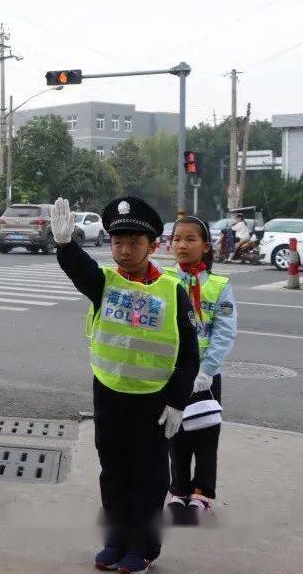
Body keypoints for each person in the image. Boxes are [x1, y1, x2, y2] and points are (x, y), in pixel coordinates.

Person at [51, 196, 199, 574]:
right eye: (118, 242)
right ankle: (116, 539)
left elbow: (188, 354)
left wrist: (178, 402)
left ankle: (143, 546)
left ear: (152, 246)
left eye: (134, 243)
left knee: (148, 476)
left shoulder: (171, 291)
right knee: (113, 470)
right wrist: (66, 246)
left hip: (152, 401)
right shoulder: (105, 283)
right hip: (110, 393)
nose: (125, 250)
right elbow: (80, 270)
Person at [163, 216, 237, 519]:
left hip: (206, 377)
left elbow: (224, 331)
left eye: (190, 239)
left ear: (206, 246)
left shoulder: (219, 286)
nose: (182, 244)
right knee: (175, 431)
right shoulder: (163, 280)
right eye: (177, 239)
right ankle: (178, 488)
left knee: (206, 435)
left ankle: (203, 492)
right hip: (174, 374)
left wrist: (206, 371)